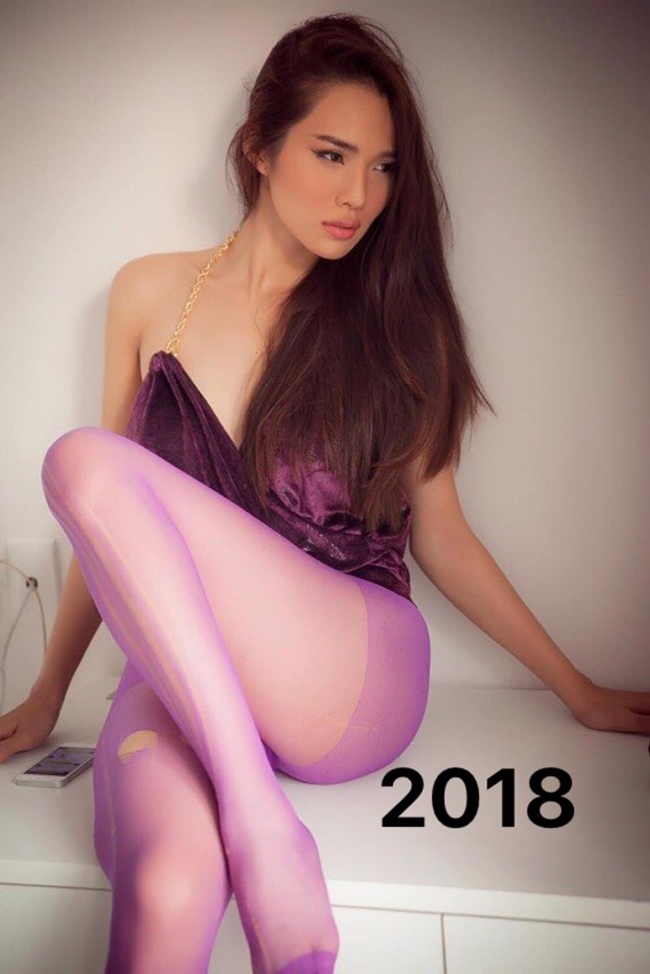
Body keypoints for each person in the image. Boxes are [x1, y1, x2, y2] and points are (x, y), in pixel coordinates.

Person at [1, 11, 649, 974]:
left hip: (348, 673)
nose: (359, 195)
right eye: (332, 154)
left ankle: (259, 821)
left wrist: (577, 689)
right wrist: (48, 692)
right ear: (259, 148)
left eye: (383, 167)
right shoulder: (146, 292)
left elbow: (444, 536)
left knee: (83, 461)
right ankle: (253, 823)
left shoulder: (398, 324)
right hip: (187, 681)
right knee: (168, 884)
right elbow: (115, 536)